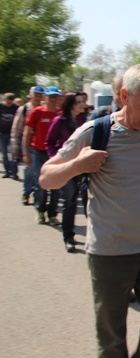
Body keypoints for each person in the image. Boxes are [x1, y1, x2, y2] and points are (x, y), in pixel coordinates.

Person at [39, 64, 140, 358]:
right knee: (111, 340)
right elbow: (46, 177)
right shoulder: (95, 132)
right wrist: (77, 165)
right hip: (109, 252)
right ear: (123, 96)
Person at [44, 92, 86, 252]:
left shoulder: (84, 121)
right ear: (70, 105)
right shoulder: (59, 121)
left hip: (83, 167)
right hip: (67, 167)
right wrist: (57, 159)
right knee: (69, 201)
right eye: (79, 102)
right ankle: (68, 236)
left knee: (88, 200)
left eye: (82, 101)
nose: (82, 104)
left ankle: (95, 238)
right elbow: (49, 142)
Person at [23, 86, 62, 225]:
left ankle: (52, 214)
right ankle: (40, 211)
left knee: (56, 186)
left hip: (54, 154)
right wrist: (26, 154)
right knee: (41, 184)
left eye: (55, 97)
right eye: (51, 96)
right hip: (38, 152)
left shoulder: (60, 114)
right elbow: (27, 133)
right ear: (45, 97)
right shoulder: (36, 112)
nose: (53, 99)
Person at [11, 86, 46, 205]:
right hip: (28, 143)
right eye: (35, 94)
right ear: (30, 95)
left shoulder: (44, 109)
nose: (37, 97)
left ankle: (39, 194)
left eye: (40, 95)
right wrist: (15, 146)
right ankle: (26, 192)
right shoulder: (24, 109)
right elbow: (16, 128)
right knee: (29, 169)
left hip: (41, 143)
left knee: (40, 171)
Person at [1, 93, 19, 179]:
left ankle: (14, 173)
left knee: (13, 154)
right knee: (4, 154)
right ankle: (7, 171)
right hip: (2, 133)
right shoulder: (1, 107)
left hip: (12, 134)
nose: (9, 104)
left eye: (10, 102)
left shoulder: (16, 107)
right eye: (7, 102)